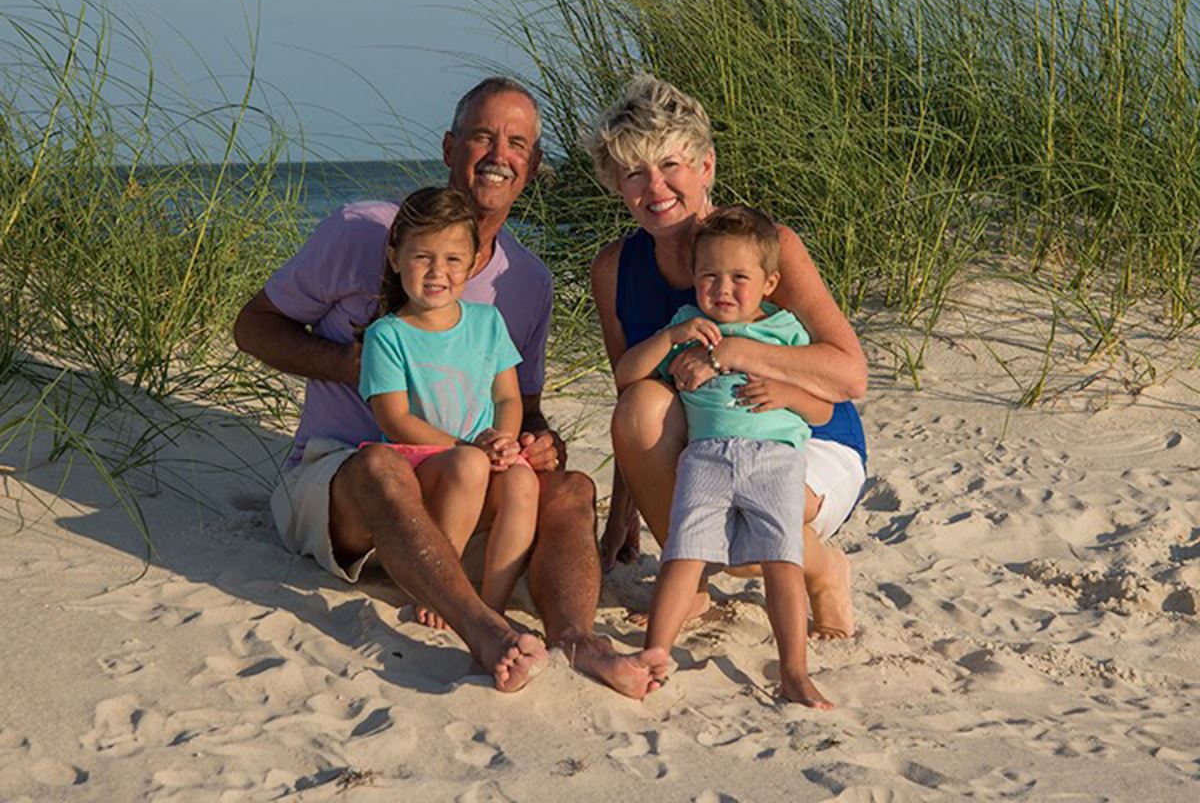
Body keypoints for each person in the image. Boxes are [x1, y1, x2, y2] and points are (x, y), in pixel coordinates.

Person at [235, 77, 668, 696]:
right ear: (448, 147)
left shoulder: (528, 281)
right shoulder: (366, 231)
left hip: (457, 495)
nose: (498, 154)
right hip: (342, 481)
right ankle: (482, 630)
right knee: (383, 465)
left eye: (517, 143)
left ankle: (580, 641)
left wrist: (536, 442)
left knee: (569, 489)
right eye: (482, 136)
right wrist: (348, 365)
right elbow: (252, 327)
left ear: (535, 165)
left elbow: (522, 402)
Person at [588, 74, 868, 638]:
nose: (656, 187)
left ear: (706, 166)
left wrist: (734, 353)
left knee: (747, 540)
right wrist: (623, 514)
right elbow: (630, 399)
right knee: (642, 400)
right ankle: (688, 585)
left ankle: (824, 568)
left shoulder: (769, 247)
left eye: (671, 164)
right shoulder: (615, 268)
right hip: (709, 442)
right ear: (617, 184)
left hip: (805, 434)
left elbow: (850, 374)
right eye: (635, 172)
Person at [619, 207, 834, 707]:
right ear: (693, 279)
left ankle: (793, 671)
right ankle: (656, 651)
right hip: (706, 457)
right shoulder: (687, 326)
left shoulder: (787, 331)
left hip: (775, 459)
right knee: (683, 554)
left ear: (770, 281)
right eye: (709, 276)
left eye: (740, 277)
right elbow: (629, 375)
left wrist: (786, 391)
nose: (723, 289)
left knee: (782, 561)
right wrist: (670, 338)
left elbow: (822, 408)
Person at [358, 187, 539, 626]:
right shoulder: (388, 335)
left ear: (475, 262)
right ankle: (443, 584)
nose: (437, 271)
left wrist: (505, 440)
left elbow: (508, 397)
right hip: (422, 461)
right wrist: (468, 449)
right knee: (470, 467)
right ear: (395, 256)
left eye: (453, 259)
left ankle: (490, 605)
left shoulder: (487, 322)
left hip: (480, 450)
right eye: (423, 257)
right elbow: (395, 419)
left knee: (522, 483)